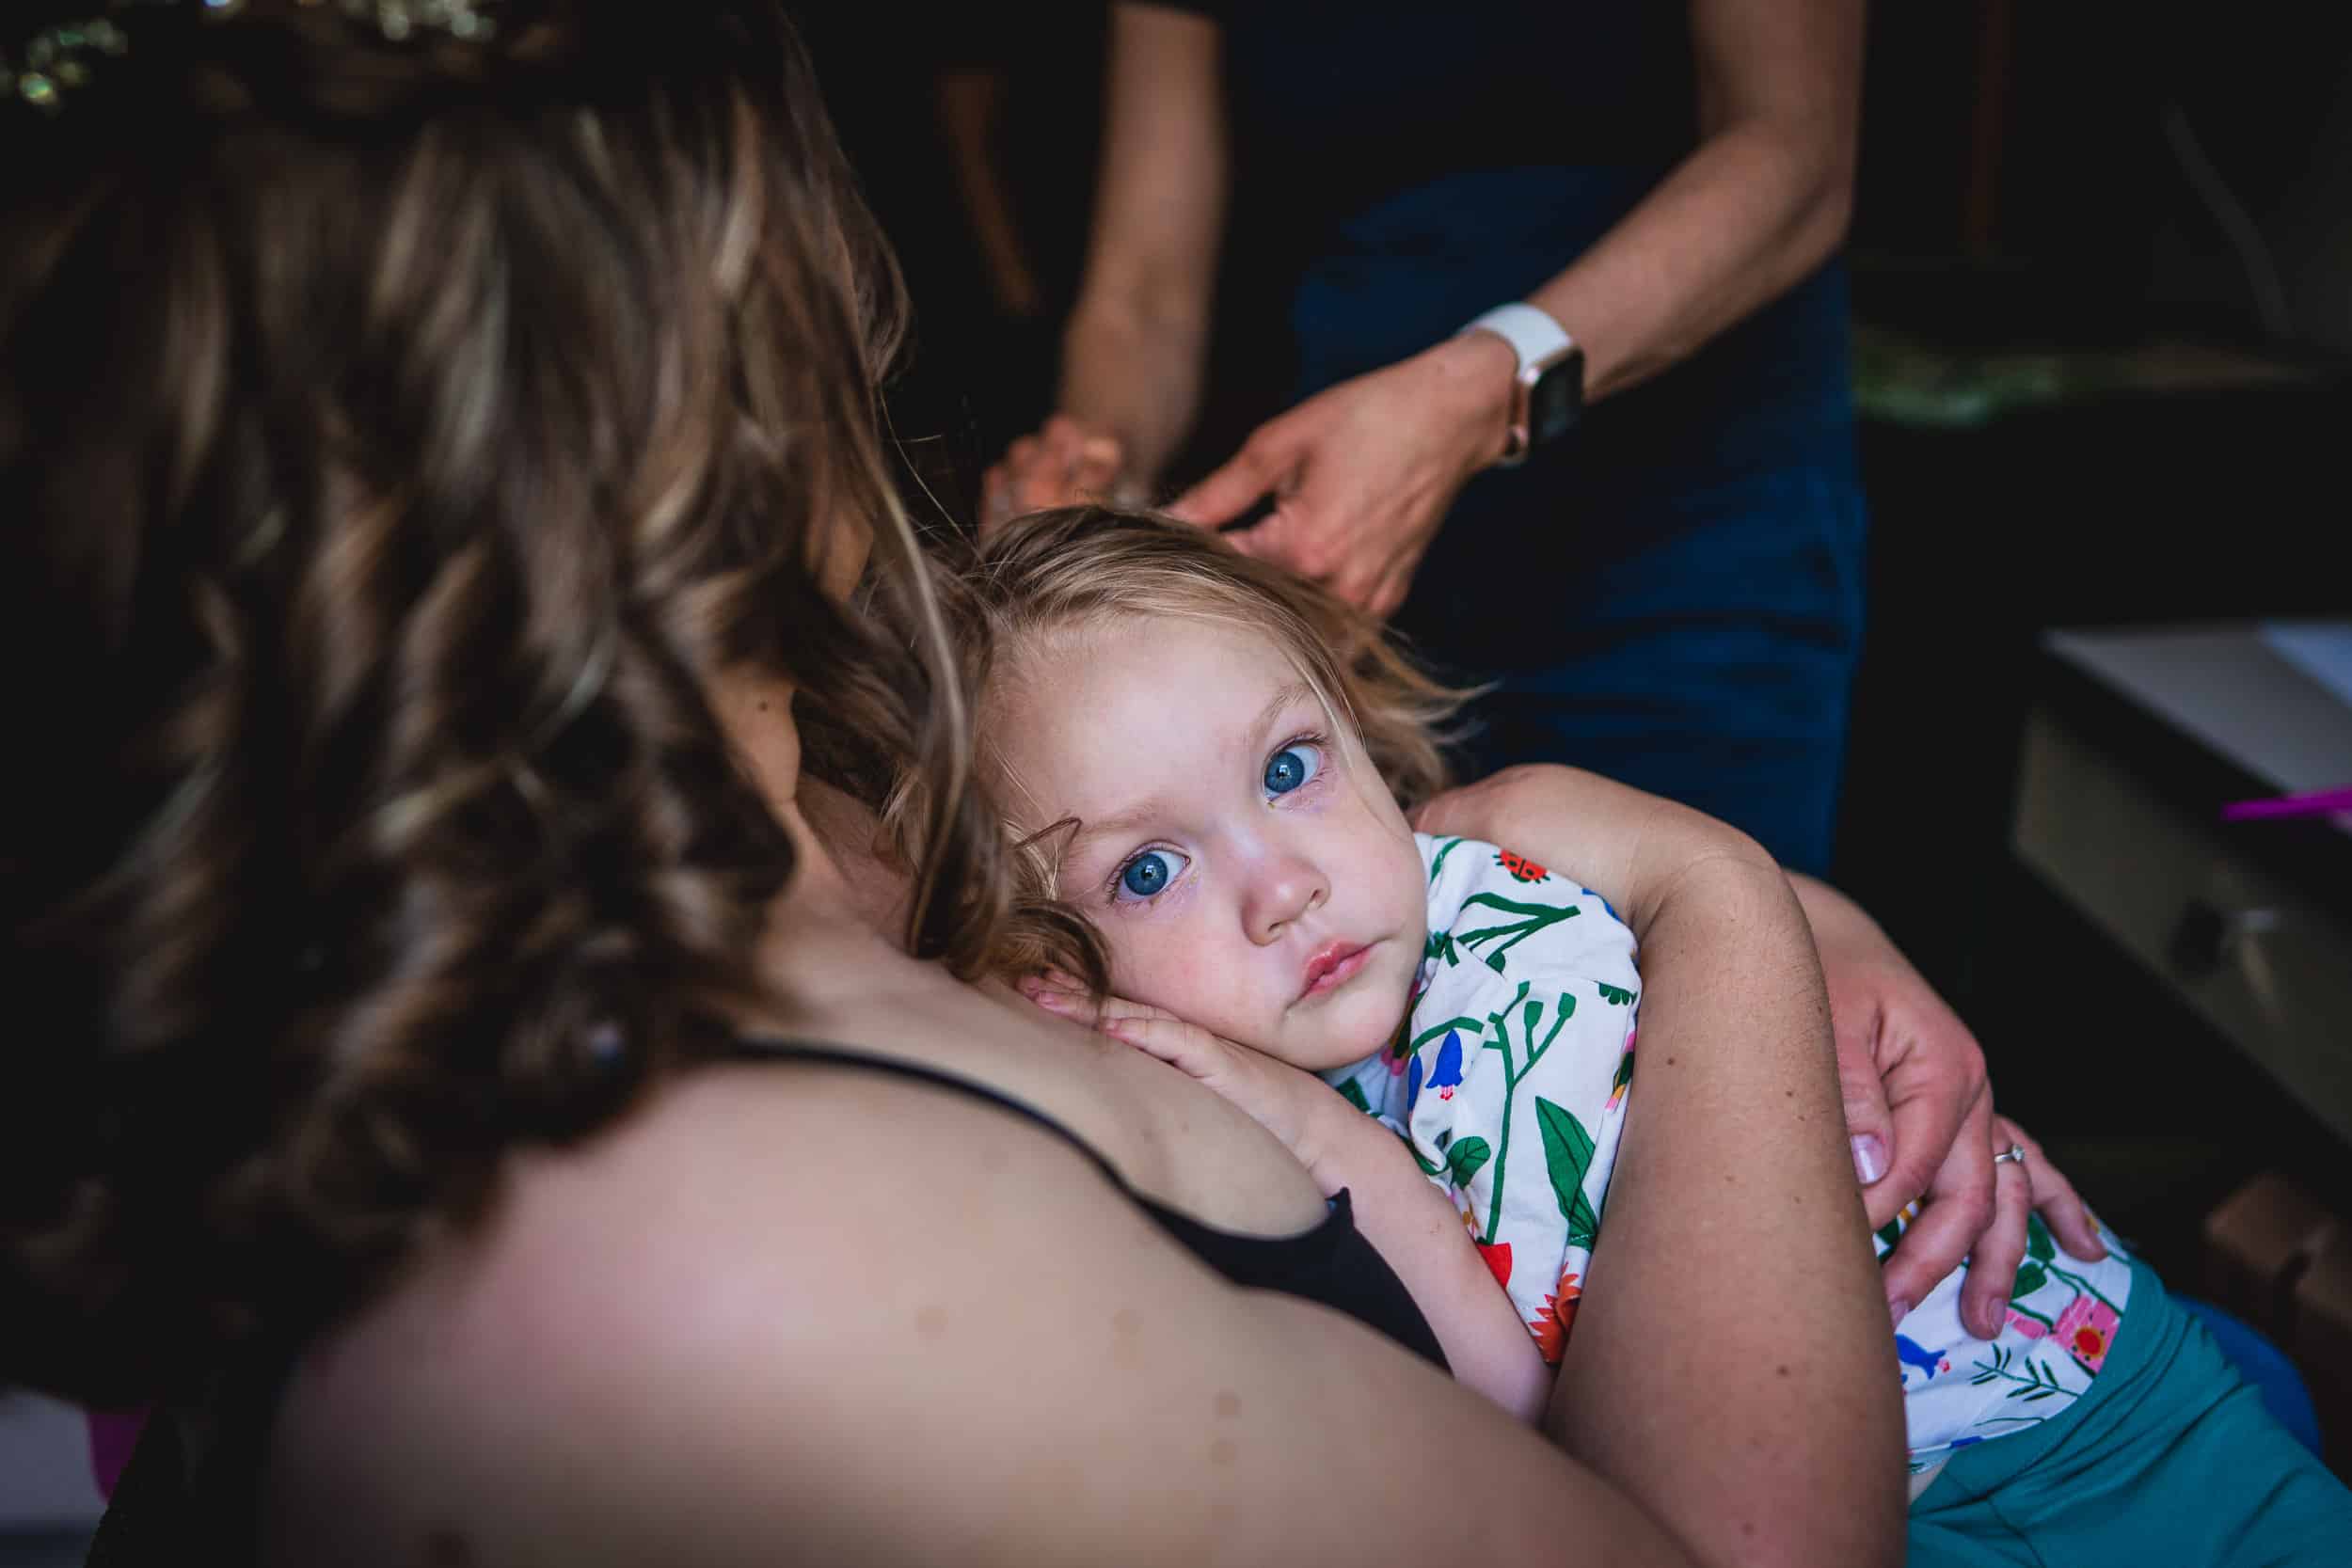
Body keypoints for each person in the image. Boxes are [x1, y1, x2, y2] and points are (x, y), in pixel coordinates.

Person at [0, 4, 2074, 1564]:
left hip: (1628, 492)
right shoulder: (714, 1235)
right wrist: (1698, 890)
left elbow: (1295, 854)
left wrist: (1756, 923)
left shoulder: (798, 821)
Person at [936, 507, 2352, 1560]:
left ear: (1362, 733)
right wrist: (1311, 1131)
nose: (1284, 881)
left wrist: (1855, 942)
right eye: (1148, 868)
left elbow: (1746, 894)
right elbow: (1527, 1410)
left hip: (2113, 1383)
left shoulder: (1495, 840)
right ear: (1052, 966)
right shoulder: (1265, 1136)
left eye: (1291, 768)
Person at [983, 0, 1870, 878]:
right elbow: (1142, 290)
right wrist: (1091, 471)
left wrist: (1473, 397)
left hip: (1690, 535)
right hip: (1361, 582)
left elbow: (1795, 152)